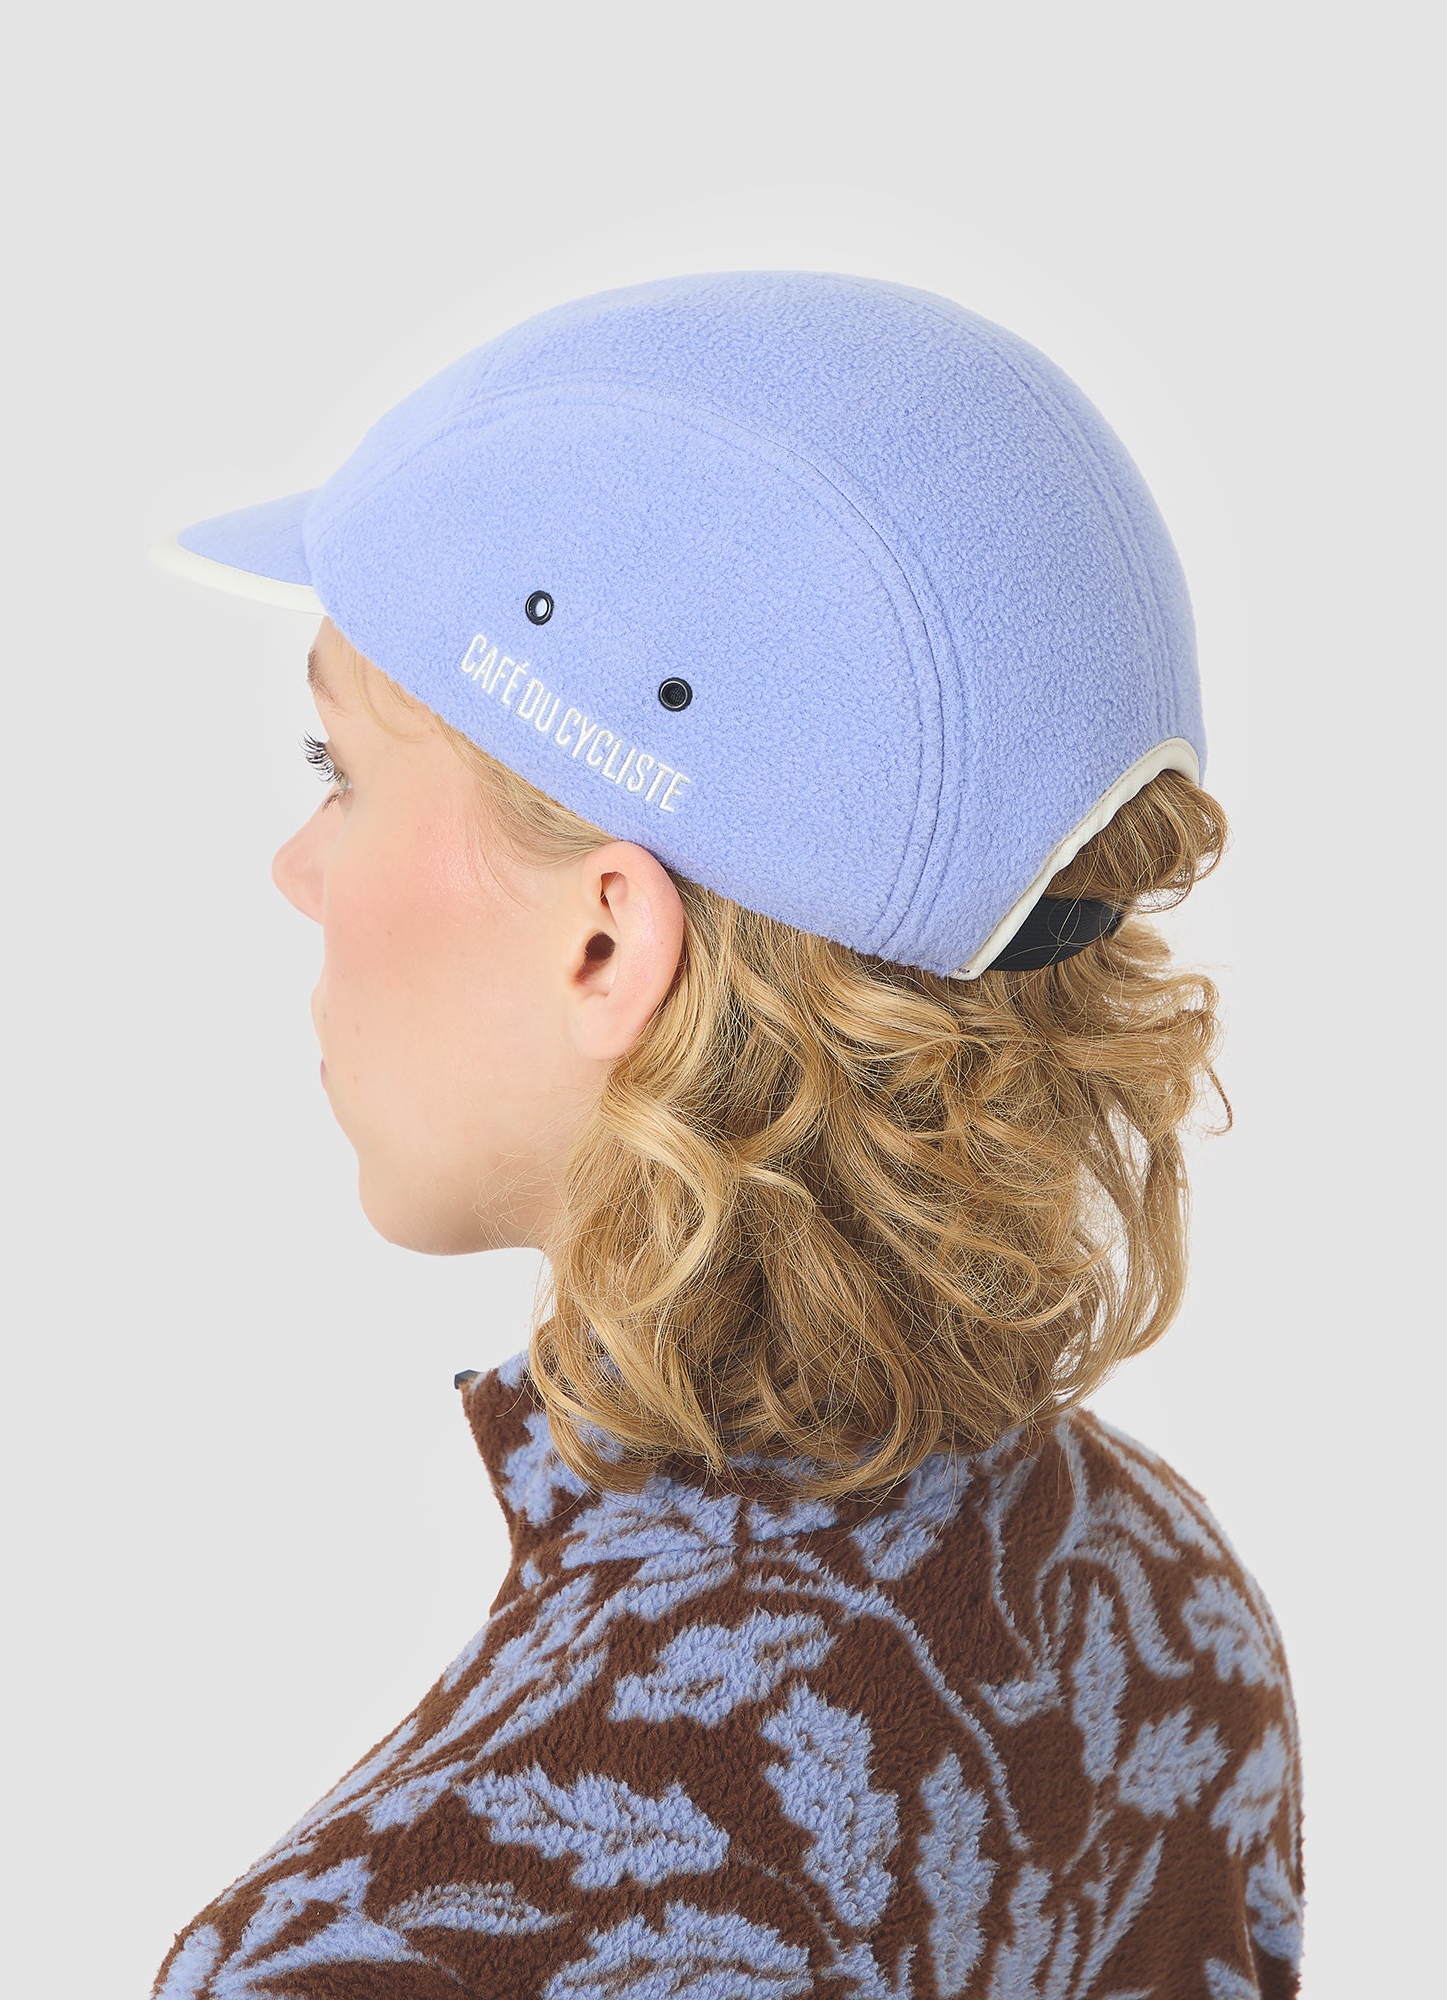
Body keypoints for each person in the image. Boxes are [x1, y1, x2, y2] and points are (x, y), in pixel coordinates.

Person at [147, 270, 1304, 1999]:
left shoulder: (379, 1951)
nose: (295, 871)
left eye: (341, 767)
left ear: (605, 941)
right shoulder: (1158, 1607)